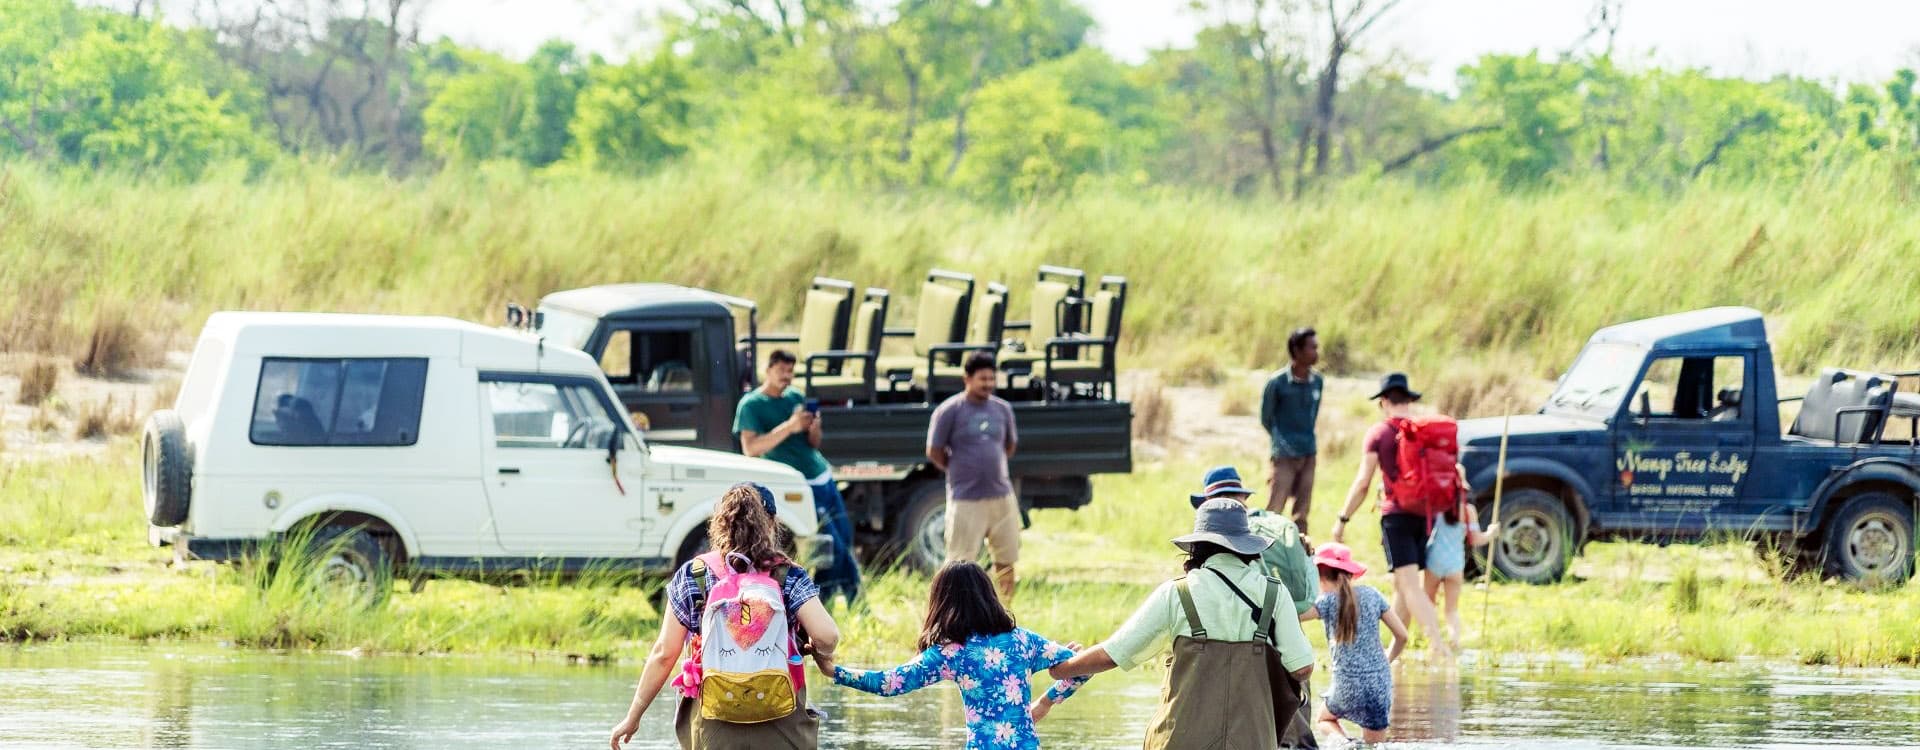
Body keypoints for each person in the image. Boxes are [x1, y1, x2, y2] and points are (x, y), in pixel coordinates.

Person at [1047, 500, 1316, 750]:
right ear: (1247, 548)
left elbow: (1114, 653)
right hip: (1253, 739)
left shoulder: (1177, 593)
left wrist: (1062, 669)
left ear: (1197, 547)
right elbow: (1302, 668)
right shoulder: (1274, 593)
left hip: (1181, 740)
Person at [609, 484, 840, 750]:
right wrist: (821, 653)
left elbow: (664, 653)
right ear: (772, 524)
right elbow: (827, 636)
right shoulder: (788, 575)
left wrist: (633, 716)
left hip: (711, 723)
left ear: (720, 523)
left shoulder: (694, 575)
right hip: (781, 719)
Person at [819, 561, 1088, 750]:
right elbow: (1084, 668)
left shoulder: (952, 654)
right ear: (989, 596)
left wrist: (834, 671)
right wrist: (1045, 703)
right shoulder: (1023, 640)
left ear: (943, 603)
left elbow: (889, 683)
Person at [1329, 372, 1451, 659]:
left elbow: (1362, 483)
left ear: (1384, 402)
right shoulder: (1423, 432)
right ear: (1409, 400)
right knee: (1402, 584)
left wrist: (1342, 519)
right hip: (1424, 514)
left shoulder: (1379, 433)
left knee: (1408, 585)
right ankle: (1390, 657)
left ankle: (1439, 647)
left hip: (1396, 516)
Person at [737, 349, 860, 605]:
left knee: (844, 538)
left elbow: (814, 443)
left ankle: (831, 598)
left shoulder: (795, 397)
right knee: (831, 546)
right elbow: (751, 448)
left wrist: (813, 428)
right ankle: (850, 599)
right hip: (798, 484)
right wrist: (790, 426)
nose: (787, 377)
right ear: (767, 370)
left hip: (821, 475)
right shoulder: (751, 405)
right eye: (782, 371)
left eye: (791, 371)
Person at [926, 351, 1020, 602]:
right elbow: (934, 451)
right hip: (965, 498)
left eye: (992, 378)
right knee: (959, 565)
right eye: (982, 379)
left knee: (1007, 558)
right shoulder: (949, 410)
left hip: (1001, 496)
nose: (988, 384)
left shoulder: (1003, 409)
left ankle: (1006, 608)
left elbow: (1009, 447)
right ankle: (956, 612)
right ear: (967, 378)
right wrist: (961, 468)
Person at [1299, 542, 1407, 745]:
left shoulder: (1327, 602)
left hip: (1346, 685)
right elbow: (1402, 635)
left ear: (1319, 575)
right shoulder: (1373, 595)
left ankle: (1345, 744)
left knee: (1324, 719)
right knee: (1373, 746)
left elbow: (1295, 616)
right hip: (1379, 685)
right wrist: (1388, 658)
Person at [1261, 327, 1323, 533]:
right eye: (1312, 348)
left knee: (1302, 511)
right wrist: (1282, 441)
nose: (1316, 352)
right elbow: (1266, 418)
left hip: (1308, 452)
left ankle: (1300, 558)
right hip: (1284, 455)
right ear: (1296, 350)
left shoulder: (1317, 381)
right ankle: (1264, 554)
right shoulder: (1277, 383)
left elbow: (1312, 415)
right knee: (1275, 508)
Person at [1423, 501, 1486, 651]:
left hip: (1433, 562)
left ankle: (1434, 642)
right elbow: (1476, 539)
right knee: (1451, 610)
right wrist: (1491, 533)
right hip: (1455, 564)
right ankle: (1454, 640)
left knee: (1428, 604)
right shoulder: (1468, 510)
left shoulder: (1433, 505)